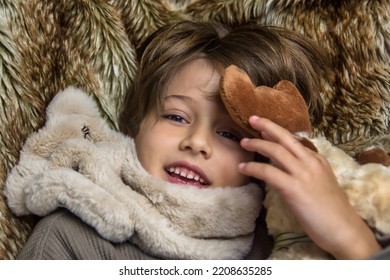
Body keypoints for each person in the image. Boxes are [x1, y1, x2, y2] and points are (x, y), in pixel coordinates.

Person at [16, 20, 383, 260]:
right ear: (132, 128)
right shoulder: (69, 240)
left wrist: (350, 239)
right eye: (176, 117)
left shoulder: (285, 245)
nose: (196, 142)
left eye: (228, 134)